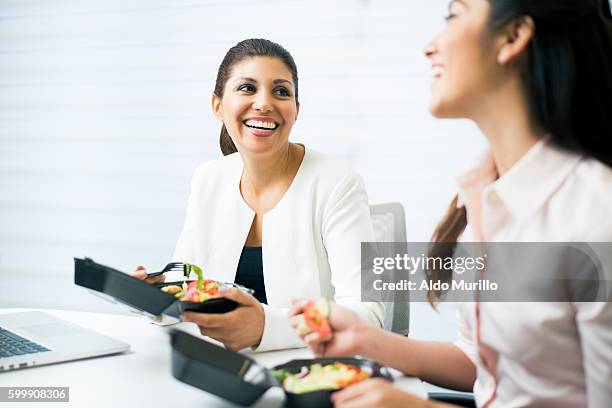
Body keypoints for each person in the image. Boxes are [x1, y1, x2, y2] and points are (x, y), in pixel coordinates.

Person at [291, 0, 612, 406]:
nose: (430, 46)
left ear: (513, 37)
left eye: (453, 16)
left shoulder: (598, 214)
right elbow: (490, 364)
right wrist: (366, 339)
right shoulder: (486, 193)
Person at [134, 38, 383, 352]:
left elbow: (369, 314)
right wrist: (154, 293)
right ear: (217, 106)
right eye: (247, 88)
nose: (265, 103)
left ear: (296, 110)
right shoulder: (208, 178)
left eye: (281, 91)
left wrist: (265, 328)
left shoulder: (338, 182)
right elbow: (186, 285)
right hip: (217, 366)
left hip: (310, 371)